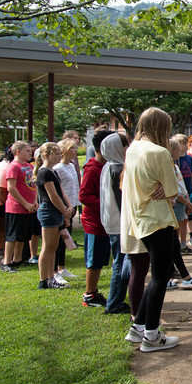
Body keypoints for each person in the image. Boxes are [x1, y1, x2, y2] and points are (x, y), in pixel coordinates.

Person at [121, 107, 181, 352]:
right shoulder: (160, 152)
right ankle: (152, 335)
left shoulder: (132, 149)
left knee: (156, 275)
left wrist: (165, 190)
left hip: (141, 220)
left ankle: (138, 327)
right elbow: (172, 190)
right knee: (160, 276)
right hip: (159, 220)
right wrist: (167, 191)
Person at [79, 130, 113, 308]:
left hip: (104, 221)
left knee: (100, 259)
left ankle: (93, 292)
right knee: (94, 260)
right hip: (94, 222)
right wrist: (107, 204)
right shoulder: (92, 169)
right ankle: (89, 294)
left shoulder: (106, 166)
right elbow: (84, 196)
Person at [34, 142, 74, 289]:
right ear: (46, 155)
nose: (59, 156)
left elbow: (61, 192)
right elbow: (53, 196)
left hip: (56, 211)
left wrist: (69, 207)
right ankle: (44, 280)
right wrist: (65, 211)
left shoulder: (53, 171)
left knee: (53, 246)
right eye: (56, 154)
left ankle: (51, 277)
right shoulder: (44, 172)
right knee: (48, 246)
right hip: (49, 211)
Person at [100, 133, 132, 314]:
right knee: (120, 263)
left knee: (119, 261)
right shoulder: (117, 169)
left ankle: (116, 301)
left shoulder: (107, 166)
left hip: (111, 220)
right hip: (118, 222)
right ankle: (114, 304)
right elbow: (122, 200)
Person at [1, 141, 37, 273]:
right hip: (16, 207)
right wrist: (25, 203)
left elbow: (34, 184)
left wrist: (34, 201)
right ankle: (7, 262)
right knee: (13, 236)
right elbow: (11, 187)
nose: (30, 153)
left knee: (23, 235)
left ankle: (18, 259)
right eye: (27, 151)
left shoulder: (28, 166)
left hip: (29, 206)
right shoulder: (13, 167)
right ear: (18, 151)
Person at [53, 138, 81, 281]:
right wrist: (65, 208)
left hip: (72, 205)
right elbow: (58, 191)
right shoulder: (57, 169)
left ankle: (62, 268)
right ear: (63, 150)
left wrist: (74, 205)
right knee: (58, 239)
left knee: (66, 238)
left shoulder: (71, 165)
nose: (75, 151)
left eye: (76, 148)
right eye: (72, 148)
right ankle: (54, 271)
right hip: (62, 207)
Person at [168, 139, 192, 255]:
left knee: (184, 220)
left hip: (183, 198)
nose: (179, 151)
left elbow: (182, 186)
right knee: (177, 225)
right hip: (178, 200)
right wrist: (187, 203)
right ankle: (174, 249)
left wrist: (188, 200)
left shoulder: (175, 166)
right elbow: (175, 190)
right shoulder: (169, 168)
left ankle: (182, 246)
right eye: (177, 149)